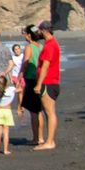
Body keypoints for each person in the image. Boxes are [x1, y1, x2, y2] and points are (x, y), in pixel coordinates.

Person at [34, 22, 61, 150]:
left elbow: (45, 65)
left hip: (48, 82)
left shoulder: (50, 45)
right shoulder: (52, 43)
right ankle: (50, 141)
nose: (37, 33)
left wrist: (39, 84)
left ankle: (50, 141)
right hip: (52, 82)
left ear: (44, 31)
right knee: (50, 112)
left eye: (38, 31)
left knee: (50, 113)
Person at [0, 75, 16, 154]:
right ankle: (5, 150)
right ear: (6, 84)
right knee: (6, 133)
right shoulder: (11, 90)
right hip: (7, 111)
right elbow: (19, 89)